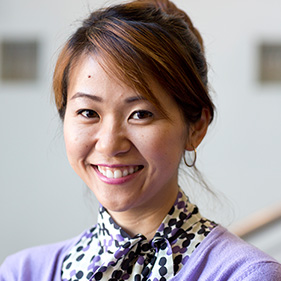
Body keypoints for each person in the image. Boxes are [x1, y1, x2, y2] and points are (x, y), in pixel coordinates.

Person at [1, 0, 281, 280]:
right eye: (88, 112)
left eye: (140, 114)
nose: (110, 144)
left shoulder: (244, 275)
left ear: (196, 127)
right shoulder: (23, 272)